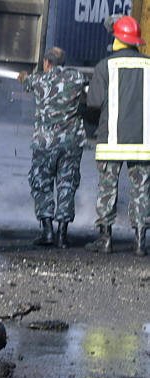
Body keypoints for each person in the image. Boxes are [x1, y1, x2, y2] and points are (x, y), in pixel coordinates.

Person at [85, 15, 150, 256]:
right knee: (141, 191)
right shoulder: (149, 65)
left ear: (117, 39)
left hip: (111, 141)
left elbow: (93, 104)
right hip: (143, 143)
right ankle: (141, 243)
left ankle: (105, 241)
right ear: (135, 41)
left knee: (107, 191)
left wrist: (91, 127)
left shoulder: (105, 66)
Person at [18, 47, 87, 248]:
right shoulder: (76, 77)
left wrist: (23, 77)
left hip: (45, 143)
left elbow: (26, 80)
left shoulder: (39, 80)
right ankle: (62, 235)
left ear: (47, 63)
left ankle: (47, 231)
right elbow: (85, 83)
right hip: (71, 142)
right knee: (67, 185)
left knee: (41, 183)